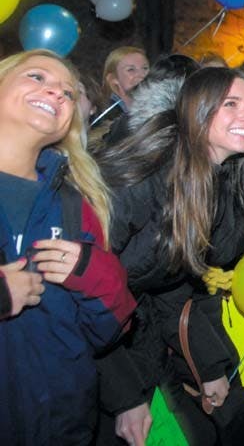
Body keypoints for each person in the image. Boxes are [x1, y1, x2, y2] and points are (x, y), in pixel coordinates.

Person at [95, 67, 244, 446]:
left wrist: (207, 367)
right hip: (93, 346)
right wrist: (123, 394)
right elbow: (83, 285)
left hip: (146, 327)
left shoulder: (220, 179)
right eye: (231, 104)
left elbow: (172, 281)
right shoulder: (150, 168)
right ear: (198, 109)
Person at [0, 50, 136, 445]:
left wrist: (95, 274)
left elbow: (109, 331)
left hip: (62, 425)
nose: (56, 93)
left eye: (68, 93)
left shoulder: (74, 203)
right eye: (37, 77)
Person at [102, 46, 150, 112]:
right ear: (113, 79)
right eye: (131, 69)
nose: (142, 75)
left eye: (145, 68)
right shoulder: (109, 116)